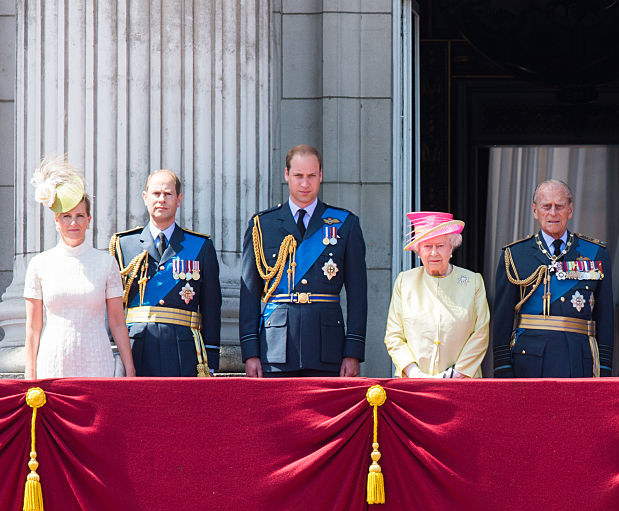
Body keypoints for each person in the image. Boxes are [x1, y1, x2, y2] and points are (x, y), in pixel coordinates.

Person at [239, 144, 367, 377]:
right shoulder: (262, 225)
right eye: (298, 176)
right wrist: (250, 352)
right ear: (286, 175)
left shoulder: (345, 224)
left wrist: (353, 351)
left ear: (321, 175)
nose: (305, 183)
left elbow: (358, 294)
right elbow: (248, 294)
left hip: (327, 346)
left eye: (311, 176)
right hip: (275, 346)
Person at [23, 156, 136, 378]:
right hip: (53, 364)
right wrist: (30, 372)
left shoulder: (106, 262)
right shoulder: (39, 265)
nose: (73, 223)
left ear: (88, 219)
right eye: (66, 216)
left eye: (79, 216)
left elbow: (117, 322)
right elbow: (33, 327)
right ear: (56, 220)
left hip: (97, 363)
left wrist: (129, 368)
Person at [492, 180, 612, 378]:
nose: (553, 213)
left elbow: (605, 316)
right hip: (528, 361)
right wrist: (502, 367)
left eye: (560, 206)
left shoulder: (596, 252)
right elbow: (502, 319)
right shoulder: (515, 254)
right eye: (546, 206)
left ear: (570, 210)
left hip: (579, 359)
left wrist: (605, 366)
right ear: (534, 210)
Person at [109, 170, 222, 377]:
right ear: (145, 198)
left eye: (168, 194)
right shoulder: (123, 245)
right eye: (156, 194)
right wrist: (114, 353)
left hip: (184, 350)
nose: (162, 199)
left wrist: (211, 358)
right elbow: (112, 305)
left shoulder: (200, 246)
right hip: (136, 347)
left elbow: (211, 307)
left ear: (178, 199)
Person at [385, 212, 489, 378]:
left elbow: (481, 333)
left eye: (440, 246)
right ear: (418, 250)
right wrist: (414, 373)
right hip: (414, 384)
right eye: (427, 246)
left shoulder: (473, 281)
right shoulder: (405, 282)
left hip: (463, 383)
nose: (434, 253)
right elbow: (394, 335)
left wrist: (457, 374)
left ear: (451, 248)